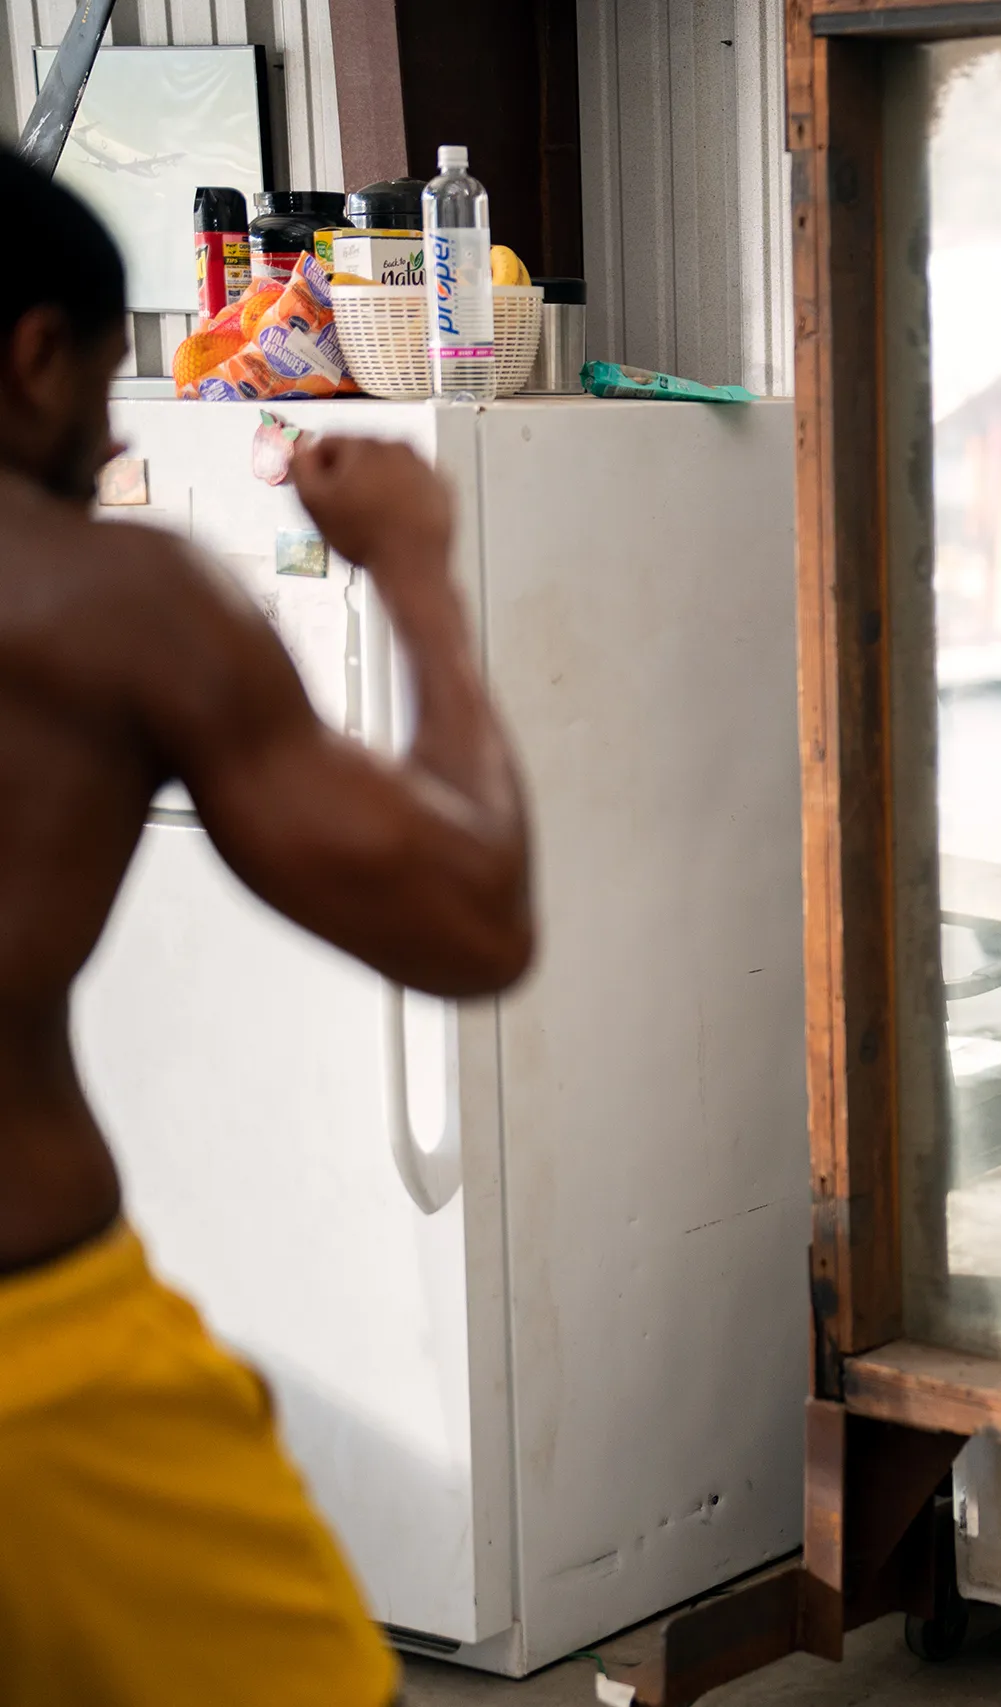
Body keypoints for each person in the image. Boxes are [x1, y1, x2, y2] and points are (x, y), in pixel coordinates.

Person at [0, 149, 533, 1702]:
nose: (110, 441)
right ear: (34, 353)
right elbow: (475, 918)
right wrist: (420, 570)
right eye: (105, 389)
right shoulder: (110, 601)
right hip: (38, 1375)